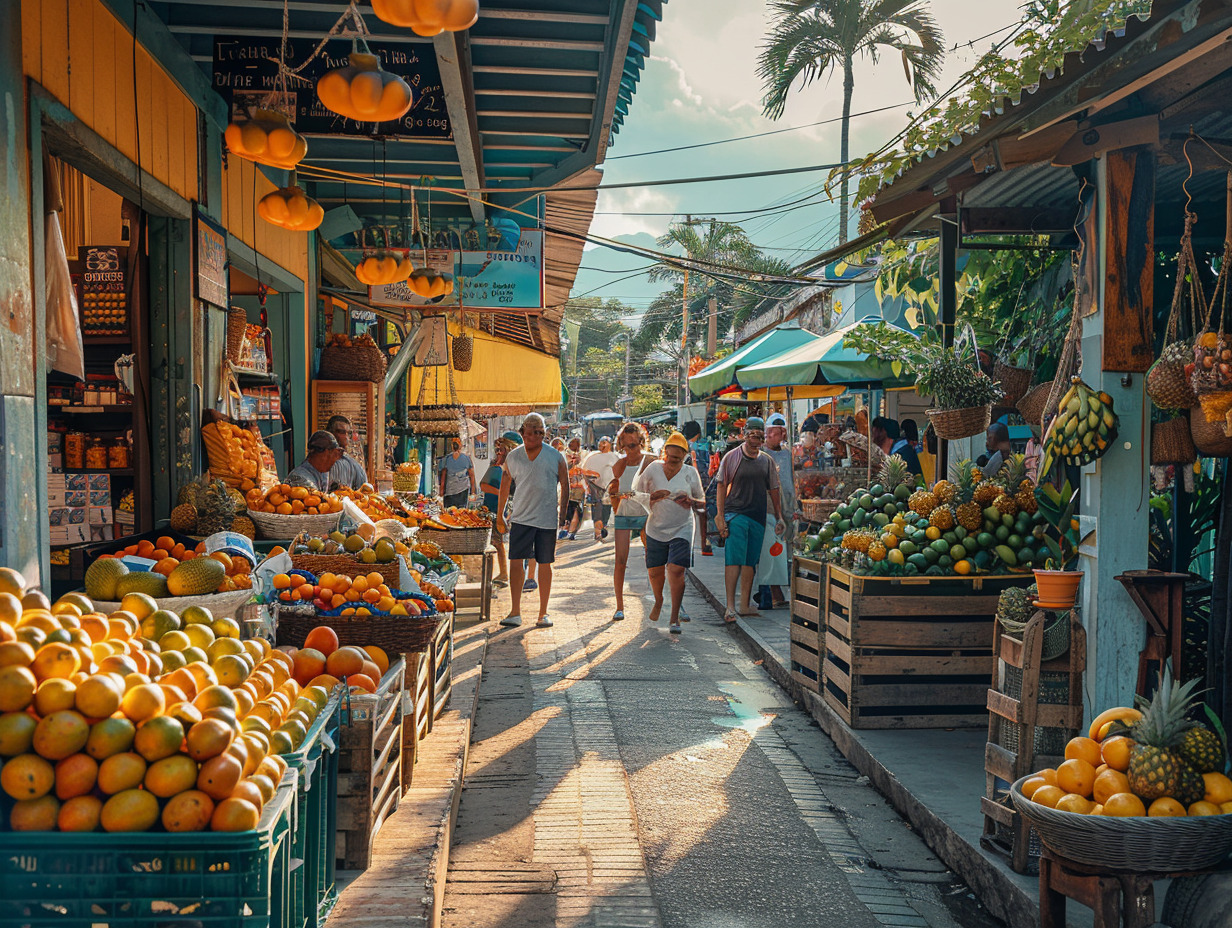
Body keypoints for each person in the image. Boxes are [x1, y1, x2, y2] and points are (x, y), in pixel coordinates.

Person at [496, 413, 568, 629]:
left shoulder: (555, 456)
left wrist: (562, 513)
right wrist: (500, 514)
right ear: (522, 433)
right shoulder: (514, 457)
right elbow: (505, 485)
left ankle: (543, 613)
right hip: (521, 517)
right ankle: (515, 611)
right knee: (516, 563)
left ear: (544, 434)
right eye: (530, 432)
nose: (534, 436)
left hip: (546, 519)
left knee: (545, 564)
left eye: (539, 432)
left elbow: (565, 484)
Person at [716, 417, 785, 622]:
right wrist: (720, 515)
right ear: (744, 435)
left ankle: (744, 605)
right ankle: (730, 606)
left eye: (758, 434)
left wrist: (779, 516)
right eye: (751, 433)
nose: (755, 438)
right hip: (736, 513)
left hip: (758, 516)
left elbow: (774, 489)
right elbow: (721, 485)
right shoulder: (732, 457)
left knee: (749, 562)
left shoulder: (766, 461)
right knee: (733, 560)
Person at [633, 431, 704, 633]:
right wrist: (652, 497)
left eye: (678, 459)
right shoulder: (653, 469)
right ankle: (658, 599)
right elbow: (636, 493)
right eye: (671, 458)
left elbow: (702, 502)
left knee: (676, 569)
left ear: (685, 457)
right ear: (664, 454)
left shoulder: (691, 473)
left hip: (682, 527)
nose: (673, 462)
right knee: (655, 573)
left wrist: (691, 501)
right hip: (656, 527)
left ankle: (675, 617)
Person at [608, 422, 651, 622]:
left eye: (634, 445)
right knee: (620, 560)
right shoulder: (620, 465)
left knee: (654, 560)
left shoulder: (650, 461)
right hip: (624, 515)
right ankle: (619, 606)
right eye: (626, 446)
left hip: (645, 515)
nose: (631, 450)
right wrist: (617, 502)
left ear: (641, 442)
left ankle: (663, 601)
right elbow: (613, 491)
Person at [756, 413, 793, 609]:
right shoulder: (761, 456)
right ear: (768, 434)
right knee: (772, 551)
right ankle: (773, 592)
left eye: (783, 433)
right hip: (769, 508)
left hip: (789, 507)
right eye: (777, 433)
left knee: (784, 551)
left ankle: (777, 591)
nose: (781, 436)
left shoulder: (788, 454)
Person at [480, 430, 521, 587]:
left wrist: (501, 494)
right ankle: (503, 573)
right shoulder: (499, 467)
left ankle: (504, 573)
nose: (498, 452)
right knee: (497, 543)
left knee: (497, 543)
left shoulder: (503, 469)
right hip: (494, 508)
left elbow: (485, 485)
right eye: (497, 449)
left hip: (497, 510)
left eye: (501, 449)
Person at [680, 420, 713, 556]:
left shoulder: (682, 445)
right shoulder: (703, 445)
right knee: (702, 514)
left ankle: (686, 544)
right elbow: (708, 467)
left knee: (685, 516)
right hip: (701, 483)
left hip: (684, 485)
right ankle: (704, 544)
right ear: (698, 433)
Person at [583, 437, 620, 542]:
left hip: (609, 487)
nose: (602, 445)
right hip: (595, 486)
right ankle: (598, 532)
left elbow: (618, 472)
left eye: (604, 442)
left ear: (610, 444)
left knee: (606, 509)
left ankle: (603, 527)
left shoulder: (614, 457)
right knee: (597, 508)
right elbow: (585, 471)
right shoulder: (592, 457)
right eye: (600, 442)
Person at [325, 415, 369, 489]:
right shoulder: (319, 459)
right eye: (341, 432)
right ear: (330, 433)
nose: (346, 437)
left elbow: (364, 490)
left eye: (348, 433)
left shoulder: (353, 464)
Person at [438, 438, 476, 509]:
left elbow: (443, 478)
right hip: (461, 491)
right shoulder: (466, 458)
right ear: (460, 446)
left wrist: (441, 493)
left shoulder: (446, 459)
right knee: (460, 512)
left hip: (452, 492)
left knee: (450, 513)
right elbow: (472, 476)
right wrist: (473, 492)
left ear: (452, 446)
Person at [562, 437, 587, 541]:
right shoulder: (564, 455)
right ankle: (565, 529)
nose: (574, 445)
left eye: (576, 443)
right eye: (571, 443)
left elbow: (587, 468)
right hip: (568, 487)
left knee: (578, 509)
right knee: (568, 509)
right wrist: (572, 463)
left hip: (581, 488)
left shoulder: (584, 454)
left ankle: (573, 531)